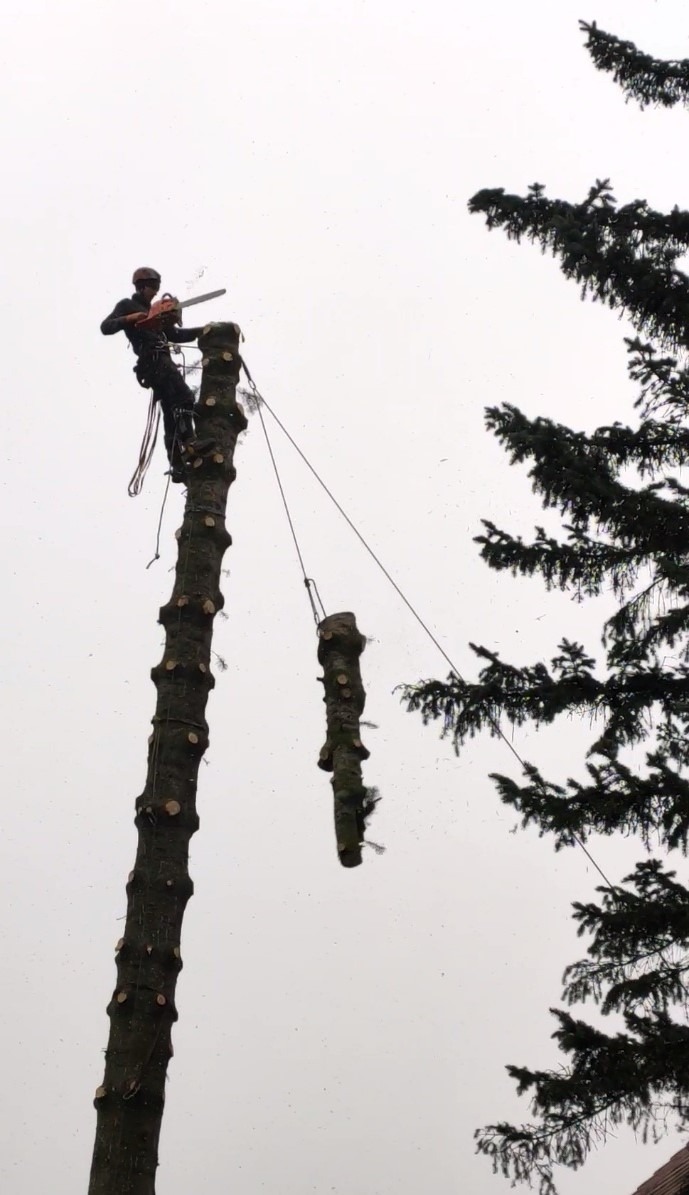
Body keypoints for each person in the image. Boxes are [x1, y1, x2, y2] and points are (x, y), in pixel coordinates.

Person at [101, 267, 207, 483]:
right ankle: (190, 441)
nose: (156, 293)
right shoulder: (127, 306)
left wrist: (203, 331)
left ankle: (177, 464)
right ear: (142, 286)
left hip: (161, 362)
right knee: (184, 398)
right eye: (153, 288)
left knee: (170, 411)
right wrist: (131, 318)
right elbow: (106, 327)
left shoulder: (155, 315)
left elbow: (175, 335)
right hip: (153, 362)